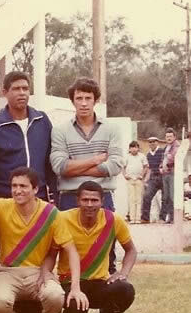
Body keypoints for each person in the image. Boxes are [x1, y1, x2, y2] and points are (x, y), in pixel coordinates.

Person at [0, 167, 88, 313]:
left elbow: (71, 251)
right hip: (8, 272)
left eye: (23, 186)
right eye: (14, 186)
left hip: (38, 272)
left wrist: (76, 287)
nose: (17, 190)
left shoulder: (51, 213)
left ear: (35, 189)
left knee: (55, 295)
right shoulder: (4, 205)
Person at [50, 77, 123, 271]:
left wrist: (75, 167)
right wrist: (95, 160)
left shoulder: (112, 129)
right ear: (72, 101)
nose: (83, 103)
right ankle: (70, 294)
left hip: (103, 196)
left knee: (106, 250)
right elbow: (59, 167)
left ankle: (107, 295)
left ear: (95, 100)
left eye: (88, 98)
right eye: (79, 98)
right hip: (69, 197)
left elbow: (115, 165)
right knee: (67, 249)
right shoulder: (60, 131)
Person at [55, 181, 136, 313]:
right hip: (70, 283)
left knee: (125, 290)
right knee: (74, 304)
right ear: (77, 200)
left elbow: (131, 250)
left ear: (102, 201)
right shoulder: (62, 219)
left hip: (99, 283)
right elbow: (50, 251)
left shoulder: (113, 220)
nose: (90, 205)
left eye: (94, 200)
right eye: (85, 200)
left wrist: (123, 273)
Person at [0, 71, 55, 200]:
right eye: (16, 89)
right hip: (7, 199)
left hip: (39, 198)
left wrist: (54, 195)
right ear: (4, 92)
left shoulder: (42, 120)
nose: (22, 93)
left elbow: (50, 162)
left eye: (25, 88)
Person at [159, 128, 180, 223]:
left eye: (170, 136)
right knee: (166, 196)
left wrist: (167, 165)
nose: (169, 138)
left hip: (172, 173)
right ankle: (169, 217)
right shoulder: (166, 147)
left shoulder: (176, 146)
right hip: (165, 173)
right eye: (167, 136)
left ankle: (173, 218)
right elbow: (163, 159)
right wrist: (160, 167)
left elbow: (174, 158)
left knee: (172, 196)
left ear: (174, 137)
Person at [140, 136, 164, 223]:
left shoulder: (162, 151)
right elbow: (149, 168)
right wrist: (146, 180)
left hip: (163, 176)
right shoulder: (149, 154)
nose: (152, 143)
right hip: (153, 177)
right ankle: (145, 218)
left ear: (157, 142)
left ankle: (163, 218)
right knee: (146, 196)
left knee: (165, 198)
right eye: (150, 142)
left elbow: (163, 163)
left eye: (154, 141)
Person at [124, 141, 146, 224]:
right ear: (129, 149)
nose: (134, 149)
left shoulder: (142, 156)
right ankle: (132, 218)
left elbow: (146, 166)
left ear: (138, 148)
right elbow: (123, 167)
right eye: (132, 147)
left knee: (138, 199)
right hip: (130, 179)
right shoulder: (127, 157)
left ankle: (138, 218)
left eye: (135, 147)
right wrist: (125, 175)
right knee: (131, 199)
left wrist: (141, 175)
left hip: (138, 179)